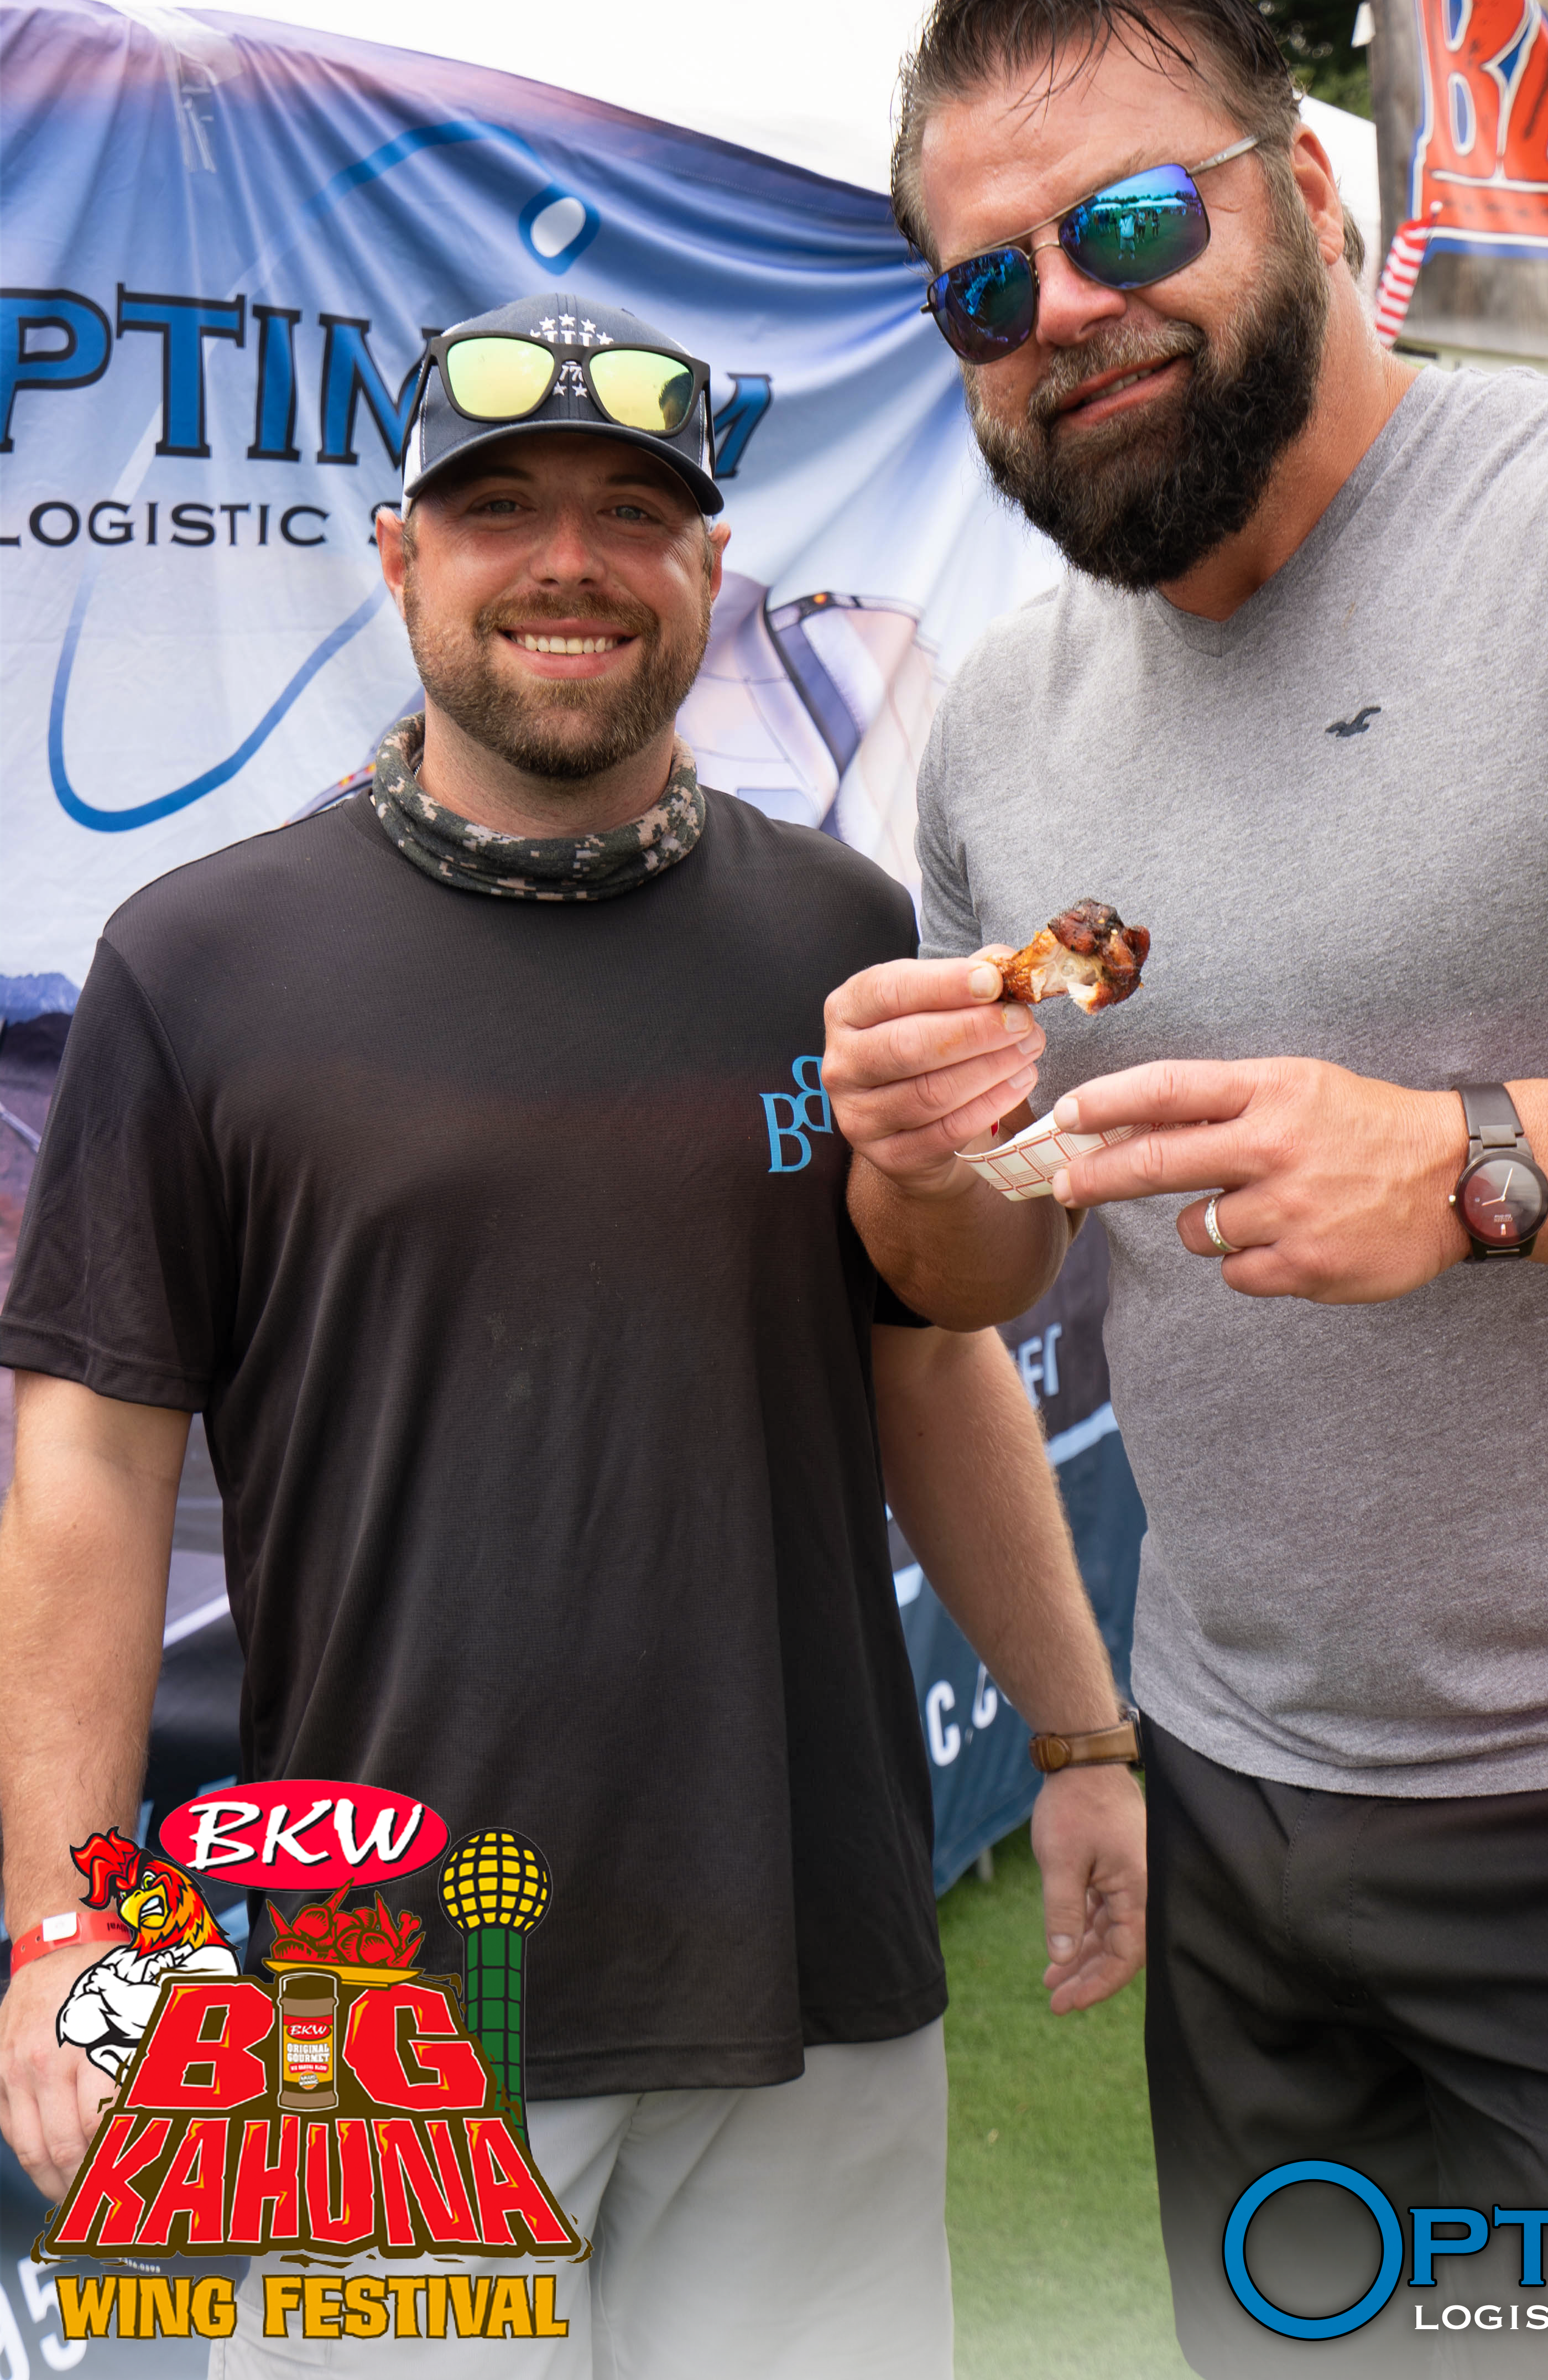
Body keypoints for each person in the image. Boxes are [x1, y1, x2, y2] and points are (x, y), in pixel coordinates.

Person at [820, 0, 1548, 2372]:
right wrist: (914, 1153)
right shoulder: (1004, 731)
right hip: (1243, 1772)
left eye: (1133, 226)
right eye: (983, 292)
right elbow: (964, 1287)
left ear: (1312, 197)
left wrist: (1473, 1160)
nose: (1066, 315)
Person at [0, 289, 1146, 2379]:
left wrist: (1081, 1735)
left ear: (713, 569)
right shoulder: (198, 964)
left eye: (637, 512)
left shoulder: (840, 937)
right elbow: (90, 1460)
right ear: (400, 557)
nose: (569, 562)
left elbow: (927, 1360)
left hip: (814, 1959)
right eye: (499, 504)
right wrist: (70, 1926)